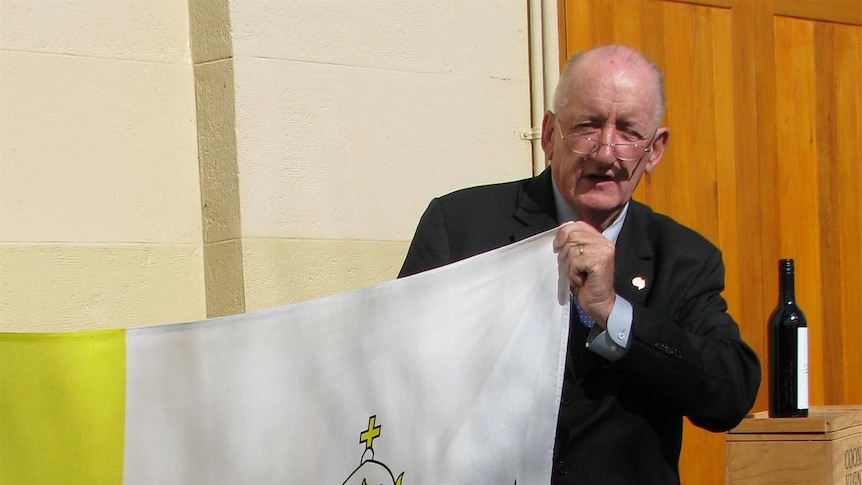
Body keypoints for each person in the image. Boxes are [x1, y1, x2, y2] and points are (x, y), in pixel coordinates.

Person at [399, 45, 761, 484]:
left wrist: (614, 313)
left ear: (655, 150)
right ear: (550, 134)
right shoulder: (460, 226)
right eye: (587, 127)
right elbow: (397, 367)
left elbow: (729, 393)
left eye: (629, 132)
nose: (606, 154)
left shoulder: (684, 258)